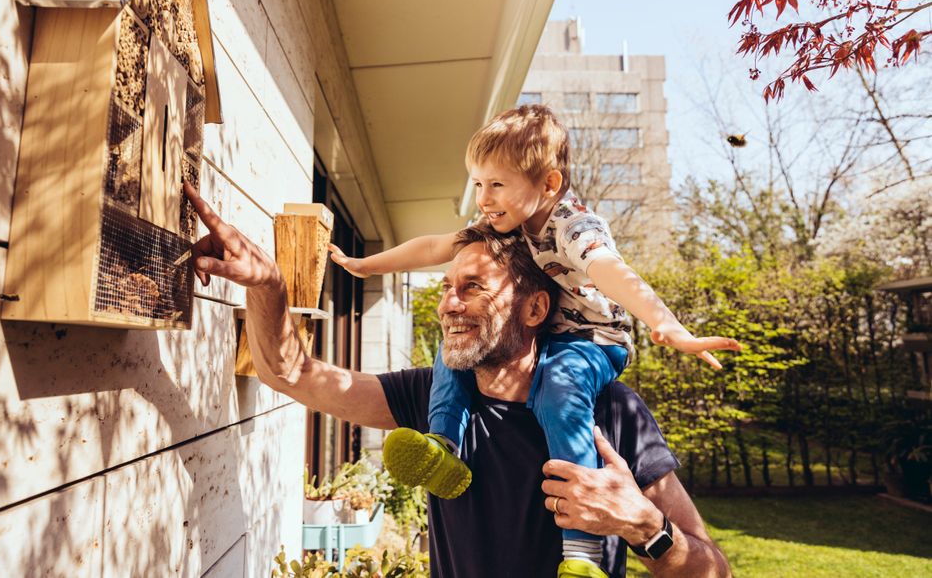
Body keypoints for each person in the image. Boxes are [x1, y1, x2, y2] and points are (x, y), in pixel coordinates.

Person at [182, 181, 732, 578]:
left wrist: (646, 528)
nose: (447, 304)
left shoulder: (612, 411)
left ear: (536, 309)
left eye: (472, 288)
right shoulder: (436, 396)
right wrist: (268, 286)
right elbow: (292, 373)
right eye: (446, 286)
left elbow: (715, 573)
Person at [328, 105, 741, 577]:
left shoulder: (572, 226)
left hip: (591, 340)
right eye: (478, 184)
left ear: (548, 183)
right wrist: (366, 265)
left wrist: (664, 322)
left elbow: (611, 271)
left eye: (497, 184)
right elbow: (432, 247)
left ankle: (582, 554)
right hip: (551, 335)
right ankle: (443, 448)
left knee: (559, 393)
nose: (483, 198)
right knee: (456, 355)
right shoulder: (501, 225)